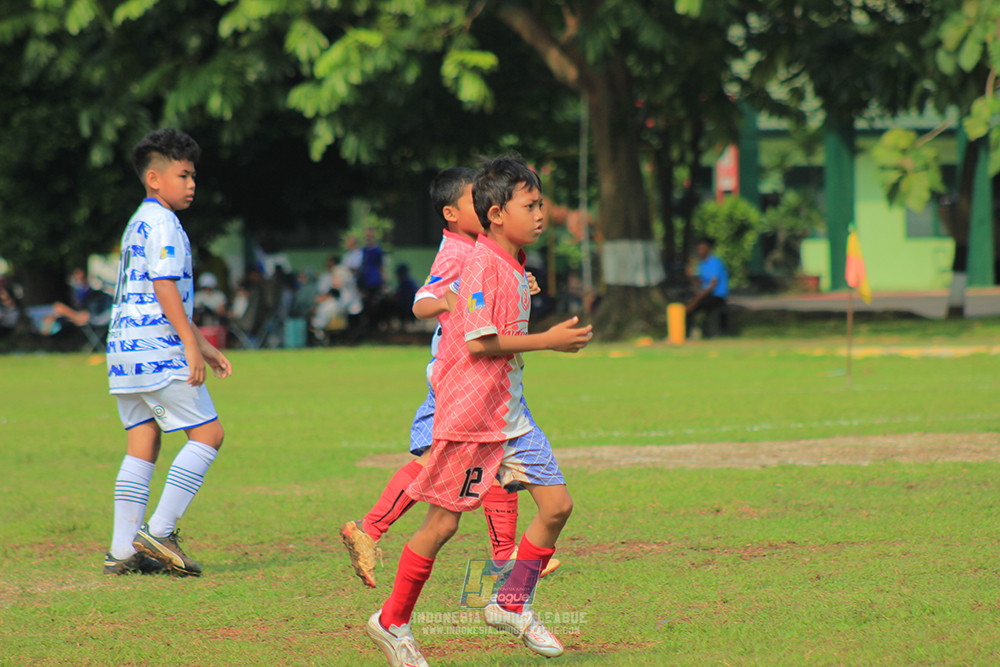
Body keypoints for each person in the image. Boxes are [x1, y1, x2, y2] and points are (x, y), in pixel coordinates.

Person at [365, 156, 592, 666]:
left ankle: (510, 602)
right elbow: (480, 341)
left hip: (510, 414)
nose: (540, 214)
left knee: (556, 507)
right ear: (495, 214)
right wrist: (548, 340)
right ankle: (392, 621)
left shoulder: (509, 260)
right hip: (472, 419)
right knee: (441, 527)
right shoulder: (478, 264)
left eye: (540, 204)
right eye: (529, 205)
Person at [343, 167, 543, 588]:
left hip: (484, 380)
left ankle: (505, 560)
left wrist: (518, 283)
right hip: (459, 380)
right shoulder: (456, 252)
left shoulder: (480, 248)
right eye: (477, 201)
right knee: (440, 464)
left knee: (494, 461)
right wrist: (448, 299)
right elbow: (421, 301)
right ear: (452, 213)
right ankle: (369, 529)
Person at [103, 128, 232, 577]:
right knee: (208, 435)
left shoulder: (140, 218)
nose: (192, 184)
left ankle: (122, 551)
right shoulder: (164, 223)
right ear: (155, 179)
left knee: (143, 441)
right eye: (184, 175)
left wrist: (203, 344)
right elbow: (164, 288)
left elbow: (152, 290)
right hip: (156, 348)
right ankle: (159, 531)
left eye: (193, 175)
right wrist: (188, 347)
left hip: (123, 352)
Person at [686, 236, 730, 338]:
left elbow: (713, 285)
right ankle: (685, 334)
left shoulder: (715, 262)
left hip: (717, 296)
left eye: (702, 248)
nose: (700, 251)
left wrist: (698, 297)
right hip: (705, 295)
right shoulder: (701, 265)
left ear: (709, 249)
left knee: (693, 305)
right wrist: (691, 276)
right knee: (689, 307)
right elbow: (699, 284)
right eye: (699, 249)